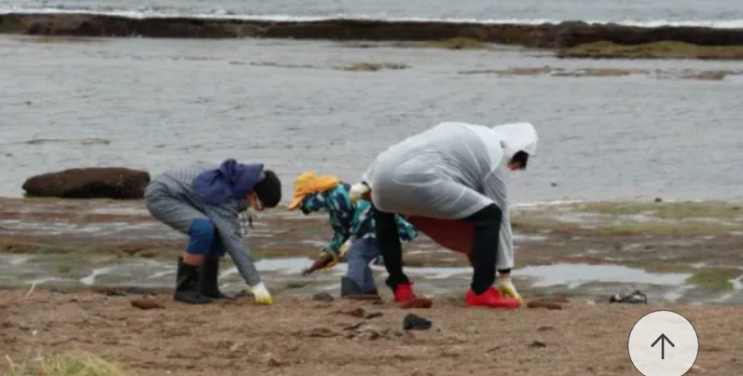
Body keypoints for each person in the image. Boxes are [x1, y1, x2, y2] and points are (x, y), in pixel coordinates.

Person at [349, 121, 538, 309]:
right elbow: (501, 214)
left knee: (383, 208)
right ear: (514, 152)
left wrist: (366, 182)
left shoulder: (470, 134)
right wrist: (505, 275)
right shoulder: (497, 155)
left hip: (379, 171)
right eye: (515, 164)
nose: (510, 170)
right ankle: (481, 291)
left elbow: (403, 154)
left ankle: (400, 287)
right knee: (491, 214)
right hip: (419, 177)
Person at [144, 159, 282, 305]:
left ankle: (207, 287)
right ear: (251, 192)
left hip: (184, 192)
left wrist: (244, 206)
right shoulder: (223, 194)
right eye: (260, 205)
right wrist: (256, 284)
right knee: (203, 229)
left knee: (218, 230)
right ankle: (185, 289)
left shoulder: (239, 179)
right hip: (161, 196)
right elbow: (234, 242)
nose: (260, 210)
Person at [288, 171, 418, 296]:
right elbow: (342, 234)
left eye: (303, 203)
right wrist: (329, 254)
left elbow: (365, 208)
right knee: (360, 255)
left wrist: (353, 238)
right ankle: (368, 292)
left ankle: (353, 291)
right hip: (371, 230)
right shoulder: (332, 206)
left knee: (357, 251)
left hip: (383, 226)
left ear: (314, 194)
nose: (304, 208)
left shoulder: (338, 194)